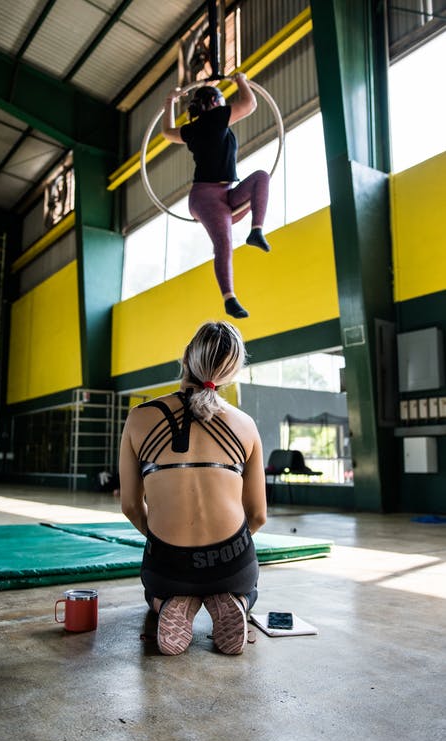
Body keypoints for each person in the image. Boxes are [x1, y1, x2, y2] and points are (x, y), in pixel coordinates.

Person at [119, 321, 267, 656]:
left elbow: (130, 505)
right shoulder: (246, 424)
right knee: (246, 585)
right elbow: (258, 515)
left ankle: (167, 602)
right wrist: (220, 552)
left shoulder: (139, 418)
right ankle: (237, 600)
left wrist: (167, 543)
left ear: (185, 358)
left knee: (156, 588)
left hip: (168, 565)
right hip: (232, 563)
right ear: (231, 373)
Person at [162, 73, 271, 320]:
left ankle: (256, 230)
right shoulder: (214, 117)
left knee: (261, 178)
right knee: (224, 243)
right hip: (206, 198)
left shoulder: (194, 129)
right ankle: (229, 298)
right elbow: (250, 104)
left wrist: (169, 102)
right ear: (214, 102)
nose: (225, 105)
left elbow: (168, 132)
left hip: (226, 194)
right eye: (222, 100)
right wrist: (241, 80)